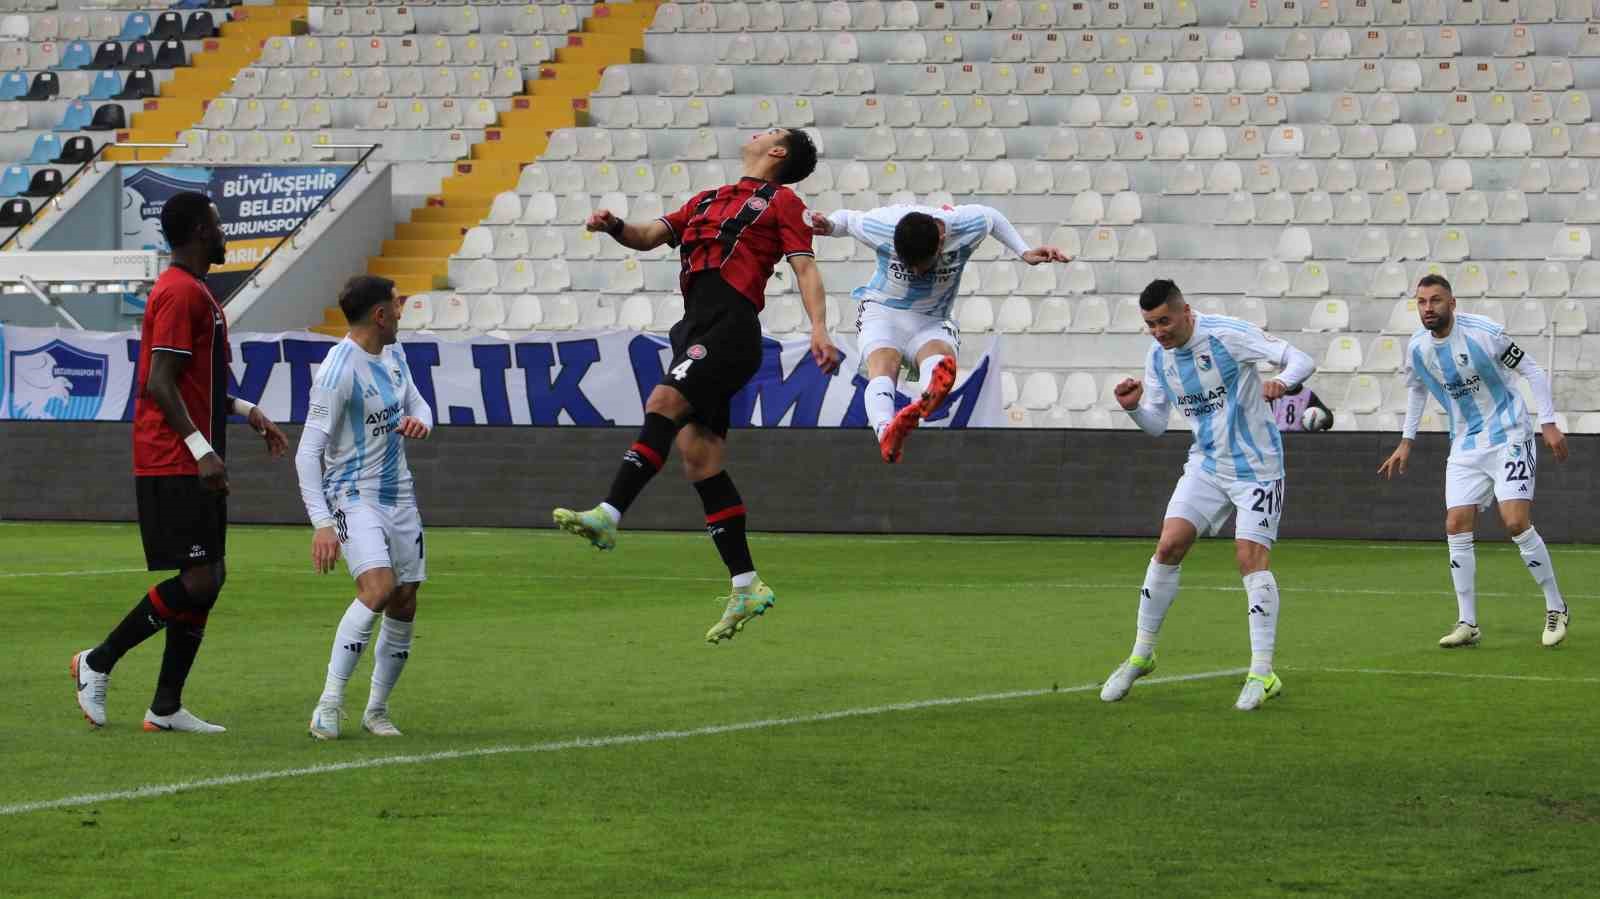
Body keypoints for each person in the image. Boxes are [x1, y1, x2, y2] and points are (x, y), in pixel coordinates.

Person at [552, 127, 842, 644]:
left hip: (731, 325)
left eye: (770, 132)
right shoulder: (706, 199)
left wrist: (819, 329)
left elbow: (805, 270)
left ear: (778, 153)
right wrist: (614, 225)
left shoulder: (784, 201)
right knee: (700, 458)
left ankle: (609, 514)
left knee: (663, 401)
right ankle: (746, 584)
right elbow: (645, 237)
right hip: (694, 325)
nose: (756, 133)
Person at [71, 191, 289, 733]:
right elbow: (158, 383)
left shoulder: (198, 294)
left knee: (210, 577)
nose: (223, 234)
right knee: (196, 580)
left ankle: (165, 706)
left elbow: (192, 382)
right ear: (196, 231)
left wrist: (244, 408)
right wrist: (201, 450)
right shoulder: (178, 294)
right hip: (173, 458)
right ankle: (97, 661)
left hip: (196, 455)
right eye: (216, 225)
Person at [1100, 279, 1316, 711]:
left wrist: (1284, 383)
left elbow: (1301, 359)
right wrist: (1132, 408)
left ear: (1185, 311)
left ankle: (1262, 671)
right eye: (1150, 325)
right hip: (1207, 464)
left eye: (1164, 321)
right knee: (1168, 545)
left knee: (1249, 558)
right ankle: (1142, 654)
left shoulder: (1225, 334)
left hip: (1258, 468)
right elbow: (1158, 424)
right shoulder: (1158, 358)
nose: (1159, 331)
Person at [1378, 274, 1571, 649]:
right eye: (1421, 302)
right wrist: (1406, 441)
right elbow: (1417, 390)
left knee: (1515, 521)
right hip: (1466, 444)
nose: (1428, 308)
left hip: (1510, 435)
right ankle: (1468, 622)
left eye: (1435, 300)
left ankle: (1556, 606)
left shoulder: (1485, 333)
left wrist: (1547, 422)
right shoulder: (1417, 348)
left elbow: (1532, 369)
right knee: (1455, 524)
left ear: (1452, 303)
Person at [807, 204, 1070, 462]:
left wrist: (1024, 251)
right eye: (909, 264)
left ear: (941, 240)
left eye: (922, 263)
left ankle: (930, 392)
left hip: (933, 318)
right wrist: (829, 224)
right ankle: (887, 431)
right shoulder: (883, 224)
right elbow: (848, 220)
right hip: (883, 311)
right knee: (884, 362)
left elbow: (992, 218)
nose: (916, 271)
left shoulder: (967, 224)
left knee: (939, 355)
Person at [296, 276, 435, 739]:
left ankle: (376, 710)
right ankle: (328, 703)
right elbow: (306, 453)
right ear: (379, 315)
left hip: (400, 494)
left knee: (404, 598)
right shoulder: (338, 372)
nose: (402, 310)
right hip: (353, 495)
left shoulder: (395, 352)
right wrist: (322, 524)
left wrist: (421, 423)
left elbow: (418, 403)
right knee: (378, 587)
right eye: (396, 304)